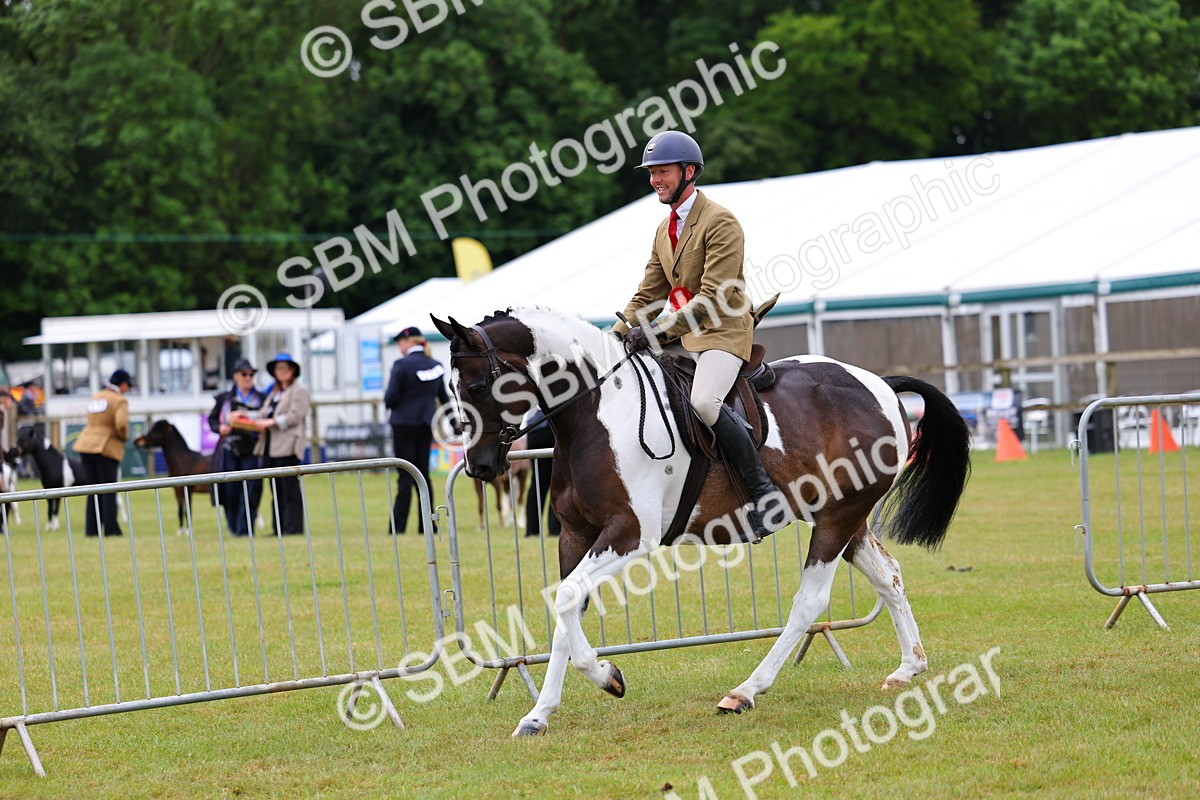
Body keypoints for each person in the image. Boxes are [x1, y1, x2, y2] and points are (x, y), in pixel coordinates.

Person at [611, 130, 785, 543]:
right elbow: (648, 293)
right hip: (683, 334)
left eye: (663, 172)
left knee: (704, 402)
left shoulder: (720, 221)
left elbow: (712, 297)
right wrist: (615, 335)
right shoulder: (663, 230)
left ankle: (766, 496)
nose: (656, 180)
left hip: (722, 330)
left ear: (689, 172)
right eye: (652, 173)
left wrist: (655, 331)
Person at [384, 326, 449, 534]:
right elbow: (443, 397)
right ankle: (427, 524)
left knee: (404, 476)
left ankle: (398, 526)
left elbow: (390, 398)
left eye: (401, 342)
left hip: (403, 425)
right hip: (425, 424)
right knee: (423, 476)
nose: (399, 346)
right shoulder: (435, 365)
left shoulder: (401, 365)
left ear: (409, 341)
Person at [208, 358, 267, 536]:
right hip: (229, 450)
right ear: (235, 376)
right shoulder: (224, 398)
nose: (248, 377)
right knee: (230, 490)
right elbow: (212, 419)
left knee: (250, 491)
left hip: (252, 449)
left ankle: (246, 530)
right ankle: (233, 527)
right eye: (244, 374)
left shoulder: (261, 398)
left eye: (251, 374)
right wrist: (220, 428)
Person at [254, 353, 311, 535]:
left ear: (293, 370)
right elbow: (262, 414)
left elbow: (296, 415)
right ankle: (278, 528)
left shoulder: (299, 390)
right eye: (279, 368)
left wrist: (273, 422)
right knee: (275, 489)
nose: (282, 372)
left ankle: (293, 528)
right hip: (271, 447)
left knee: (290, 490)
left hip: (288, 446)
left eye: (285, 368)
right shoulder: (274, 393)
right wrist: (243, 417)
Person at [74, 369, 132, 537]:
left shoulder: (96, 396)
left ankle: (91, 530)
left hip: (86, 446)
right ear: (122, 384)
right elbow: (121, 424)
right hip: (105, 447)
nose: (127, 389)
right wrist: (122, 438)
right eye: (127, 385)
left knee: (93, 490)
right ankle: (111, 530)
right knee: (109, 490)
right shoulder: (119, 400)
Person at [523, 407, 561, 537]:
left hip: (533, 430)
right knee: (557, 483)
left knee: (537, 483)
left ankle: (532, 530)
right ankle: (554, 529)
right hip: (550, 429)